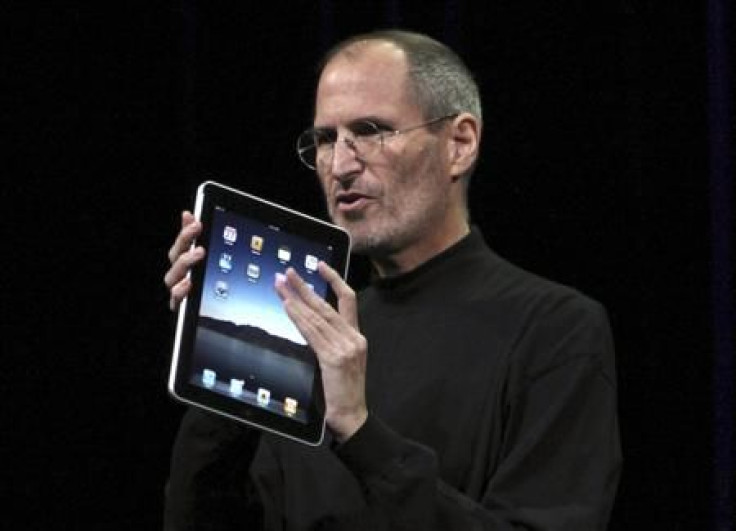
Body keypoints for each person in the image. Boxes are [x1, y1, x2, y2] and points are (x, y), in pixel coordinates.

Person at [163, 29, 621, 530]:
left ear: (460, 145)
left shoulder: (554, 328)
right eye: (324, 139)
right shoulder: (313, 334)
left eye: (372, 130)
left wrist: (359, 432)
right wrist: (210, 358)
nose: (340, 166)